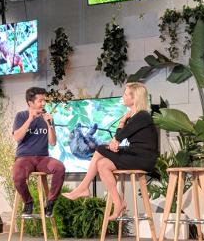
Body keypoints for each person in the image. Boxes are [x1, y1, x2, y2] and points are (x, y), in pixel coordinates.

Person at [65, 81, 158, 220]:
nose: (123, 96)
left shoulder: (143, 116)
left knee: (101, 149)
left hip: (143, 158)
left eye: (126, 94)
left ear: (134, 98)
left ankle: (83, 187)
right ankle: (118, 202)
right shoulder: (134, 117)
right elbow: (121, 131)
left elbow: (122, 134)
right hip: (135, 155)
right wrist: (124, 118)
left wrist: (116, 141)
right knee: (102, 164)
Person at [12, 87, 66, 218]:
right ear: (30, 103)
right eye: (40, 100)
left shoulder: (47, 118)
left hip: (43, 158)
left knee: (59, 167)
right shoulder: (21, 116)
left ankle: (51, 201)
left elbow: (52, 143)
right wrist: (30, 120)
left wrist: (50, 125)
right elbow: (17, 137)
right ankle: (28, 202)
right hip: (24, 158)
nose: (43, 103)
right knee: (18, 177)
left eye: (44, 100)